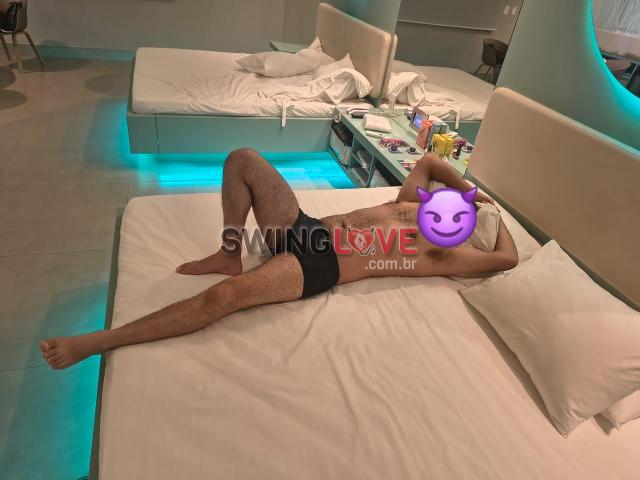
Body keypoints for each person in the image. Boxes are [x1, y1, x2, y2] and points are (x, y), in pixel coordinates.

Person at [40, 148, 518, 369]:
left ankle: (97, 342)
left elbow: (506, 260)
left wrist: (498, 219)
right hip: (305, 227)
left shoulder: (441, 251)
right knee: (242, 159)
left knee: (224, 297)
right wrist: (475, 193)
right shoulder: (414, 201)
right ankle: (230, 253)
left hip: (321, 264)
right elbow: (431, 163)